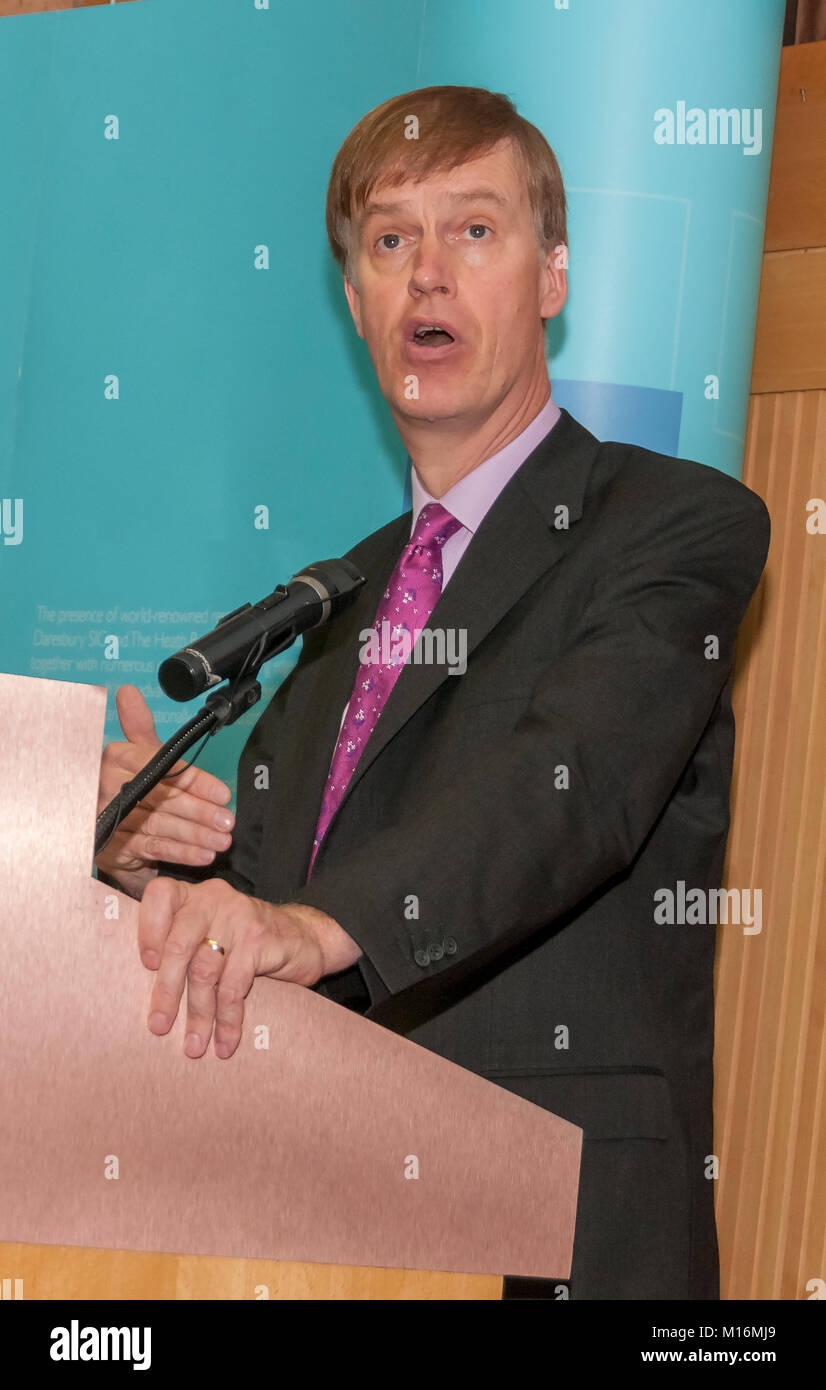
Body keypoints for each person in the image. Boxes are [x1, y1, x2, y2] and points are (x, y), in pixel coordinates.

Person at [95, 85, 770, 1299]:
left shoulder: (673, 525)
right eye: (390, 242)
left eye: (474, 230)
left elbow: (570, 790)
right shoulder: (338, 598)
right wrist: (160, 874)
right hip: (334, 1233)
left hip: (564, 1226)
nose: (426, 276)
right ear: (354, 300)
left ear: (551, 275)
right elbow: (276, 915)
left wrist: (310, 926)